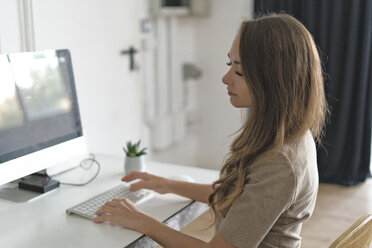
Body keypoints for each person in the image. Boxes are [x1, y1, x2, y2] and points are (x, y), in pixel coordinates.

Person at [94, 13, 328, 248]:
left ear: (272, 80)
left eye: (239, 71)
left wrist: (142, 222)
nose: (225, 78)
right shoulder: (285, 134)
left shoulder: (280, 162)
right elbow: (237, 197)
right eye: (230, 64)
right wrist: (166, 185)